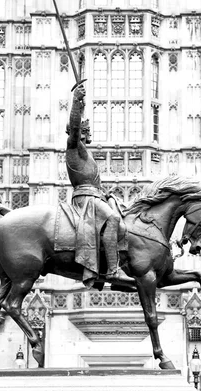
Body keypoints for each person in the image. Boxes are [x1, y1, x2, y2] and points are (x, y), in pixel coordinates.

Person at [65, 83, 135, 286]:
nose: (88, 134)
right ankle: (113, 272)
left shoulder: (84, 155)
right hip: (85, 200)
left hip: (96, 196)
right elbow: (75, 127)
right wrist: (76, 102)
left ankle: (116, 266)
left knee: (122, 217)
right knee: (112, 219)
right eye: (85, 131)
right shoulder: (73, 147)